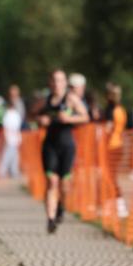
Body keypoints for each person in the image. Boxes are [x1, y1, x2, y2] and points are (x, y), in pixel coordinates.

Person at [37, 69, 90, 233]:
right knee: (52, 181)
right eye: (53, 80)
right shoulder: (44, 101)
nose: (56, 84)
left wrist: (69, 119)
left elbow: (85, 117)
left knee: (64, 184)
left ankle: (61, 206)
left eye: (59, 80)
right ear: (49, 82)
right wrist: (40, 120)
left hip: (67, 145)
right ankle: (50, 218)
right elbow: (31, 115)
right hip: (50, 145)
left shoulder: (71, 99)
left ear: (65, 83)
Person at [104, 83, 129, 218]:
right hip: (119, 145)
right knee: (111, 177)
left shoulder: (110, 110)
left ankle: (119, 206)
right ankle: (115, 206)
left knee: (110, 178)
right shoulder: (121, 109)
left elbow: (107, 128)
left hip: (110, 147)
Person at [0, 94, 23, 179]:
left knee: (14, 155)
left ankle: (13, 171)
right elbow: (6, 127)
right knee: (7, 155)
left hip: (13, 137)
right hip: (10, 137)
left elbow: (17, 127)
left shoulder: (14, 114)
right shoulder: (9, 114)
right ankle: (3, 171)